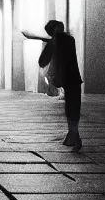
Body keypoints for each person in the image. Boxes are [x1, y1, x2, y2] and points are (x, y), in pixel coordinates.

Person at [23, 20, 83, 151]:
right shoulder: (68, 40)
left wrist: (40, 39)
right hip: (73, 77)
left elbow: (42, 61)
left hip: (67, 78)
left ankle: (74, 135)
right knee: (73, 107)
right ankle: (74, 135)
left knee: (71, 108)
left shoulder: (57, 41)